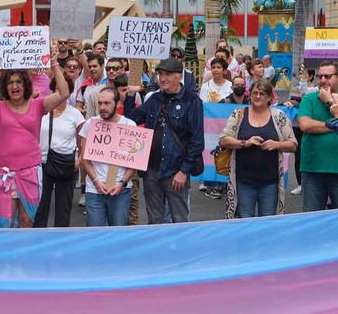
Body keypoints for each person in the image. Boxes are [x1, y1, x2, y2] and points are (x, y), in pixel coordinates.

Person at [0, 61, 71, 229]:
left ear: (26, 85)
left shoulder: (39, 104)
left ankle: (24, 255)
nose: (14, 86)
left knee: (27, 222)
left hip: (30, 173)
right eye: (10, 82)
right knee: (5, 224)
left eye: (18, 82)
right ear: (5, 86)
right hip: (5, 174)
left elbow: (64, 92)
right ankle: (7, 255)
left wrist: (54, 63)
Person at [127, 57, 205, 224]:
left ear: (179, 76)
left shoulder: (192, 101)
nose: (163, 79)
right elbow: (131, 120)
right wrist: (130, 96)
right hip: (152, 171)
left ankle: (178, 251)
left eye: (168, 74)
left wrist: (183, 172)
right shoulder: (154, 99)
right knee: (154, 221)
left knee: (179, 220)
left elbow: (197, 141)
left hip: (176, 172)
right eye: (160, 74)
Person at [217, 81, 295, 218]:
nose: (258, 96)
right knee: (245, 223)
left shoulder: (279, 116)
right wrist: (244, 142)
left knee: (267, 223)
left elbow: (293, 144)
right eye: (255, 93)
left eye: (262, 94)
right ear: (250, 96)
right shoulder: (239, 114)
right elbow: (223, 140)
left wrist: (277, 144)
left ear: (270, 97)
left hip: (270, 182)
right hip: (243, 181)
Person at [293, 61, 338, 211]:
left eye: (328, 76)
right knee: (311, 220)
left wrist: (330, 101)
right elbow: (305, 125)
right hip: (313, 168)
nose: (323, 80)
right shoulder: (309, 98)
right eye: (320, 76)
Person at [77, 86, 141, 226]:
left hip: (121, 190)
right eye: (100, 103)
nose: (102, 107)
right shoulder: (90, 124)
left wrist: (122, 183)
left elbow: (134, 162)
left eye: (107, 103)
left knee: (117, 235)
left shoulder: (129, 125)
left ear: (118, 104)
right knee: (94, 235)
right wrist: (96, 181)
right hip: (94, 190)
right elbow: (84, 158)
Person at [38, 86, 86, 228]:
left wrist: (79, 160)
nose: (60, 94)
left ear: (69, 92)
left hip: (66, 163)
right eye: (56, 89)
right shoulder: (42, 110)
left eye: (63, 90)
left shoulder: (75, 114)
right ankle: (38, 240)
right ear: (51, 91)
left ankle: (61, 242)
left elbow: (84, 138)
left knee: (63, 207)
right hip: (42, 163)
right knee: (40, 206)